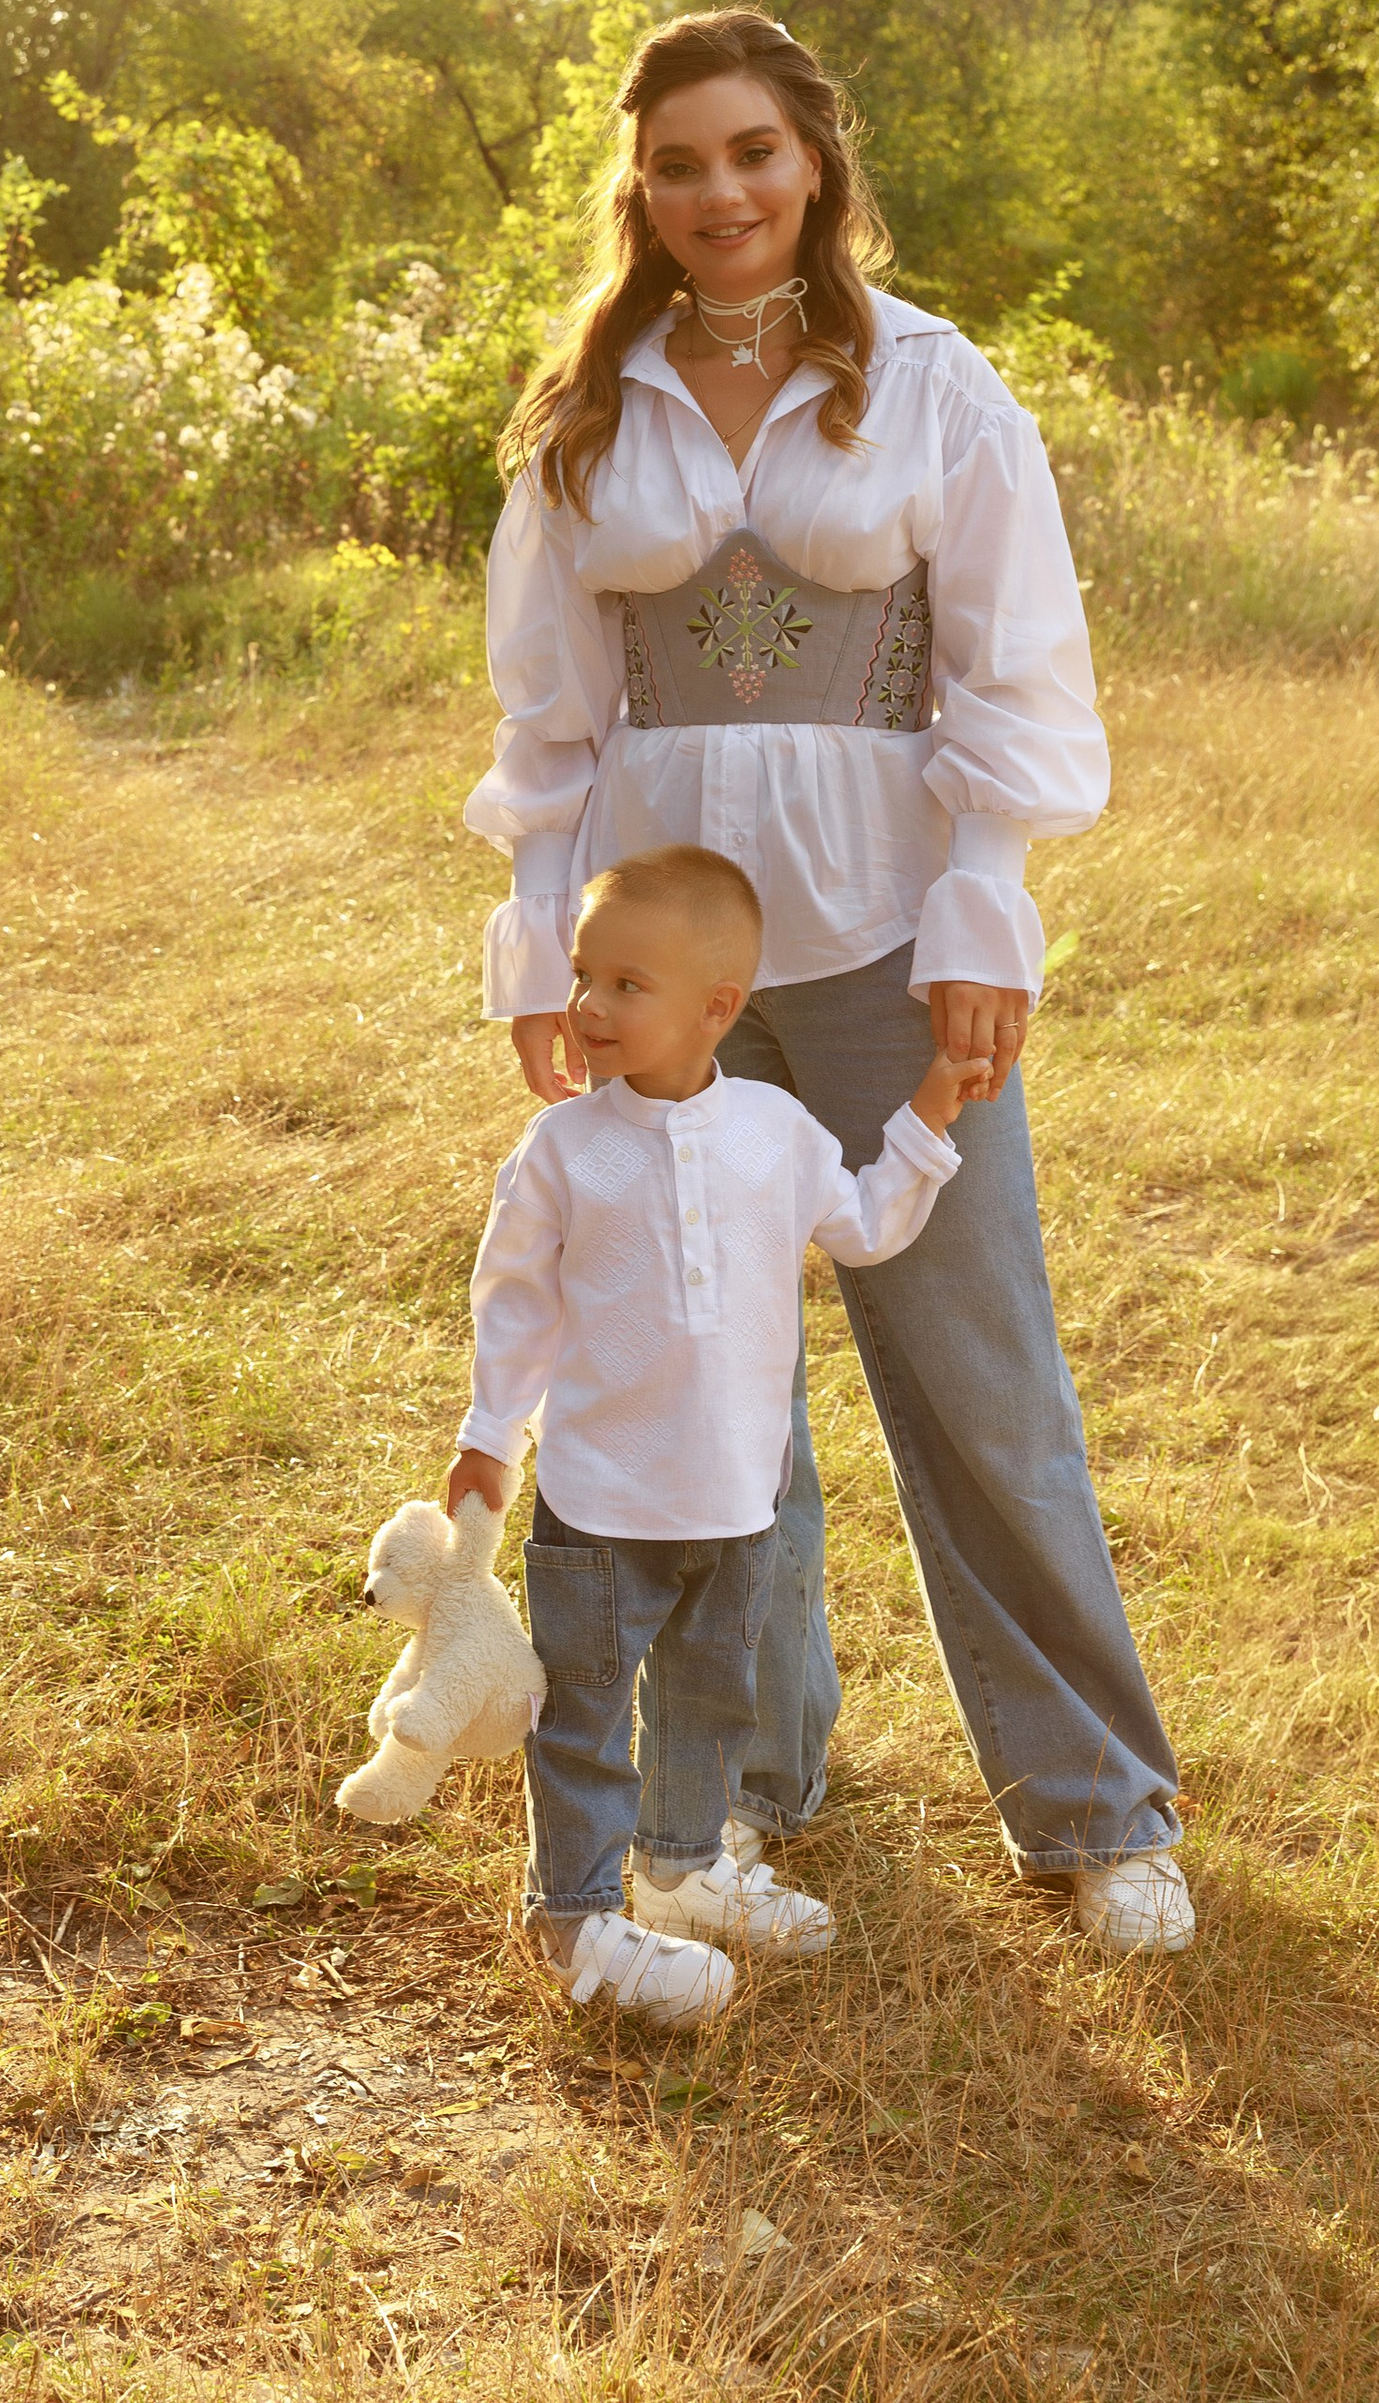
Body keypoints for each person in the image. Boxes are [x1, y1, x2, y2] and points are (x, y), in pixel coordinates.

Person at [467, 7, 1193, 1958]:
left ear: (815, 165)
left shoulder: (934, 388)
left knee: (980, 1376)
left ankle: (1094, 1806)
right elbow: (552, 723)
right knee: (706, 1390)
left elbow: (1012, 676)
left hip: (880, 947)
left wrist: (981, 915)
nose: (719, 193)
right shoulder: (587, 413)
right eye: (678, 164)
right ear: (640, 191)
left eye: (752, 153)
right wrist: (543, 948)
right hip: (671, 983)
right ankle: (731, 1796)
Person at [444, 843, 987, 2018]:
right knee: (584, 1715)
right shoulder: (563, 1151)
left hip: (736, 1498)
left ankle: (681, 1870)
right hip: (596, 1503)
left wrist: (927, 1116)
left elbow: (864, 1227)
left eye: (626, 985)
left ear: (717, 1009)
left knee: (708, 1699)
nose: (589, 1007)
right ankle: (573, 1922)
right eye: (584, 977)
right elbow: (516, 1302)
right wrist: (490, 1432)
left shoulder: (775, 1131)